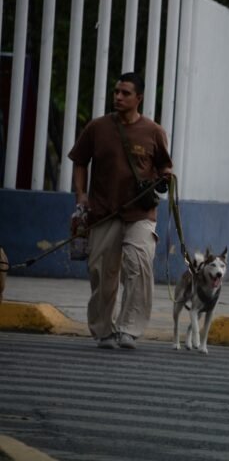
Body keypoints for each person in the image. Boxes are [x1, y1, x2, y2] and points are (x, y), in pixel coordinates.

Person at [68, 72, 173, 350]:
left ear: (138, 98)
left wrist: (166, 177)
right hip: (102, 212)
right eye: (116, 91)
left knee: (138, 265)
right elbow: (79, 161)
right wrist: (81, 195)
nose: (118, 97)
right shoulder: (97, 128)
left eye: (125, 93)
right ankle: (104, 331)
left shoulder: (153, 131)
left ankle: (129, 329)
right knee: (102, 272)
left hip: (140, 212)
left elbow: (165, 165)